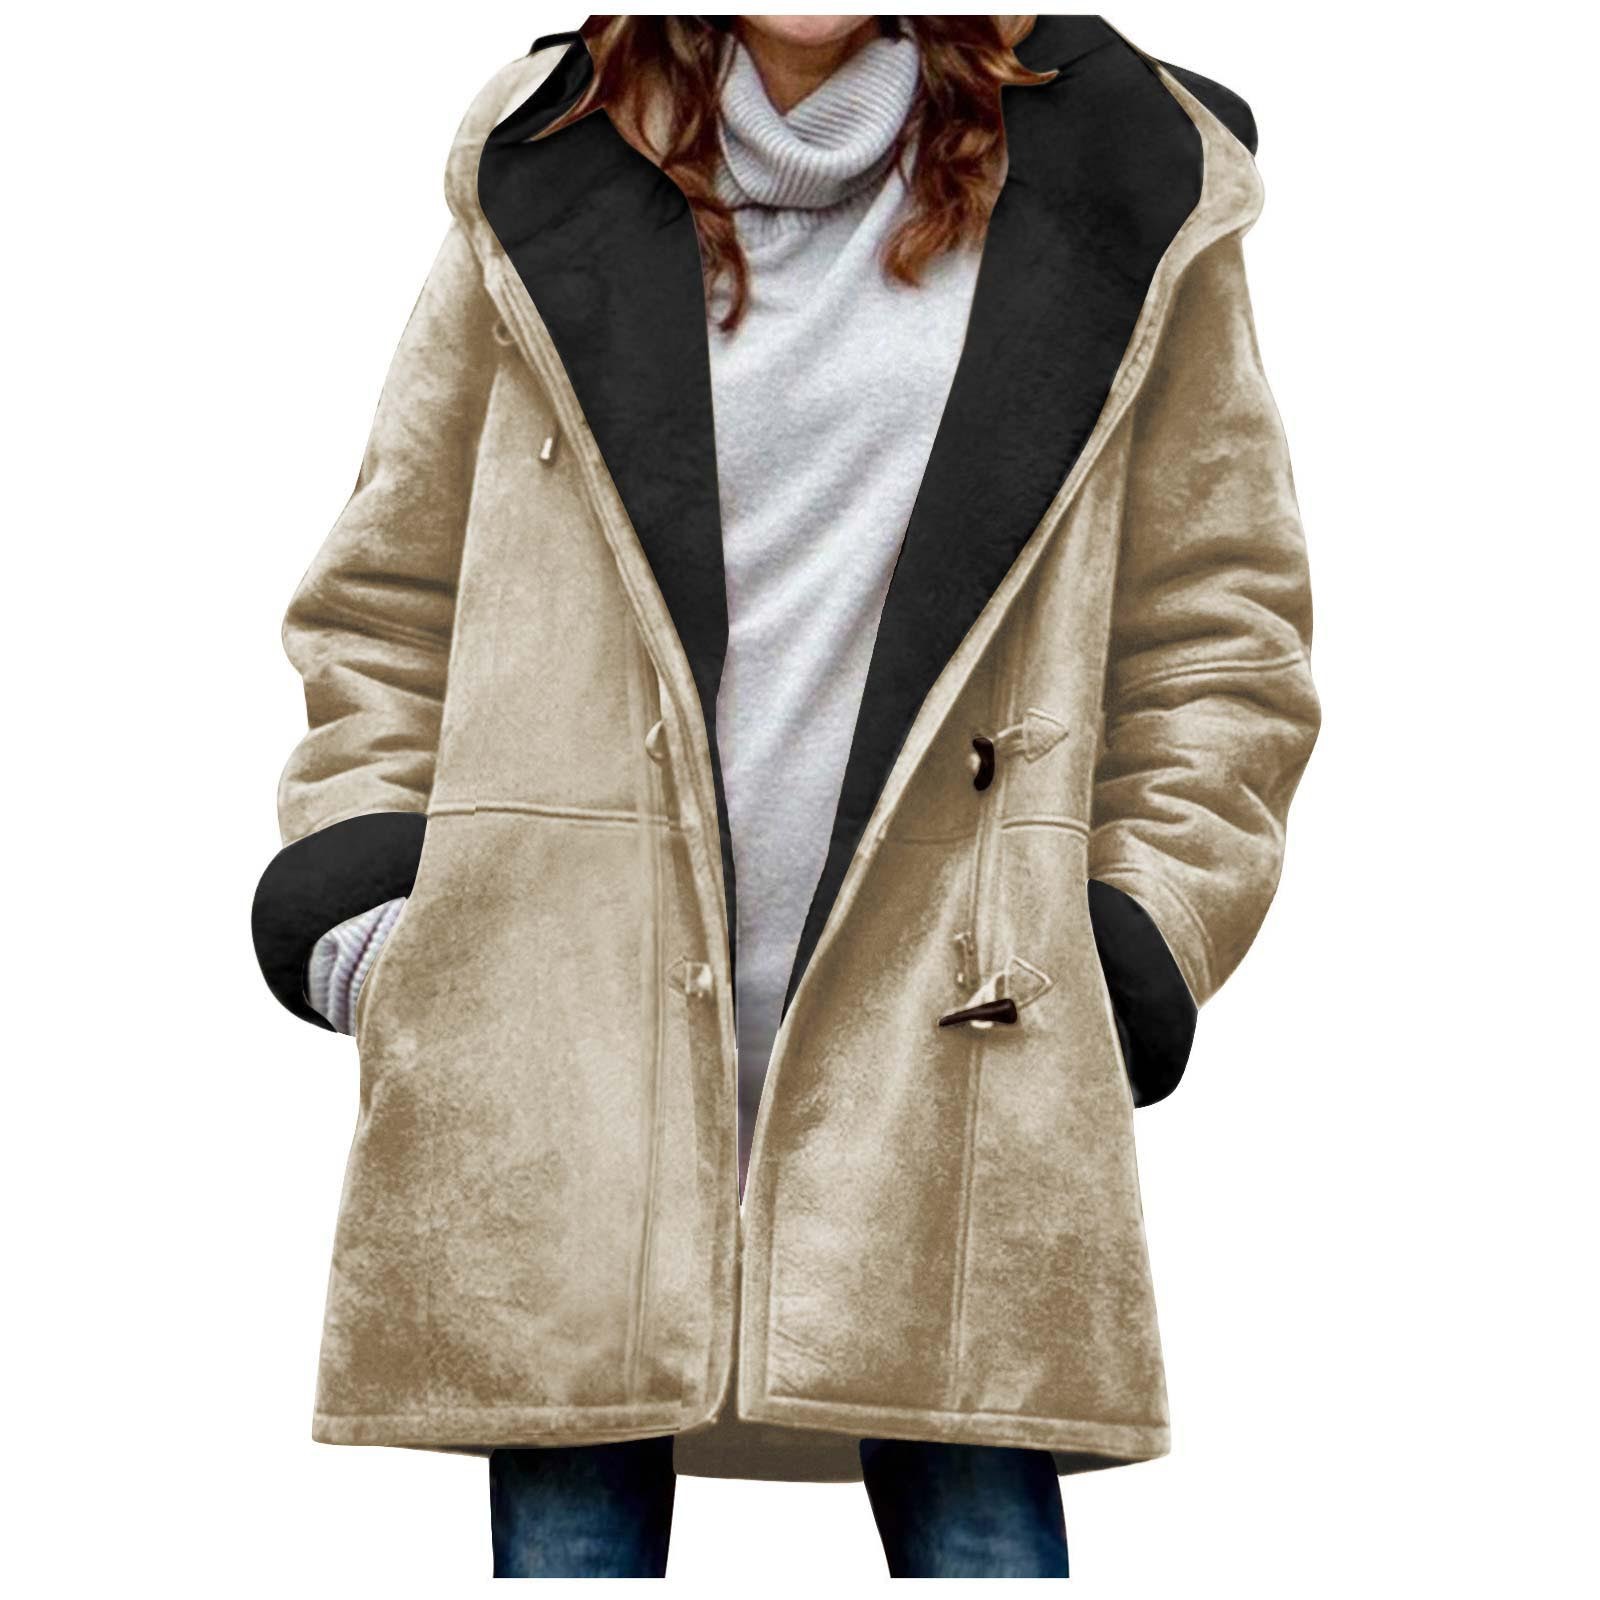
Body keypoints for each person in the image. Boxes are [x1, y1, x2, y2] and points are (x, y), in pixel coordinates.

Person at [251, 13, 1319, 1579]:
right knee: (572, 1540)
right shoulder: (548, 168)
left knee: (981, 1531)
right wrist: (382, 920)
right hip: (567, 1030)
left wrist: (1131, 935)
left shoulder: (1119, 184)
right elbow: (389, 602)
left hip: (958, 1033)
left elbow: (1220, 636)